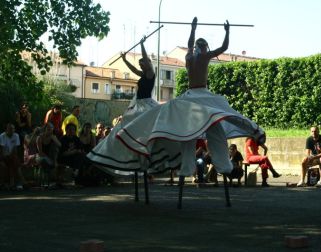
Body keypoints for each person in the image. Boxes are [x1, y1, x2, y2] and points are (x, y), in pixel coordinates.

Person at [116, 17, 265, 179]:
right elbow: (223, 46)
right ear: (204, 47)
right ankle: (244, 142)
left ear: (197, 47)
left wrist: (194, 28)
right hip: (198, 94)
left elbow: (196, 44)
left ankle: (191, 167)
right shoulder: (202, 56)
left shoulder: (192, 57)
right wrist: (226, 31)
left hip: (193, 96)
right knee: (220, 118)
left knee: (195, 130)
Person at [87, 36, 159, 174]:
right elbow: (133, 68)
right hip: (139, 104)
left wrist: (143, 45)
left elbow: (146, 60)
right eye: (140, 65)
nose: (140, 66)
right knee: (124, 125)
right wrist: (125, 60)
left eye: (142, 64)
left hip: (146, 104)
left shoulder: (150, 73)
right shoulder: (143, 74)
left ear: (147, 63)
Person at [0, 123, 25, 189]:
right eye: (10, 129)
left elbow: (15, 149)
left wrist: (11, 156)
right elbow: (1, 150)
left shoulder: (16, 135)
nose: (12, 130)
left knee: (14, 162)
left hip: (12, 156)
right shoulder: (2, 136)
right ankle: (22, 182)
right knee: (10, 163)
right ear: (6, 130)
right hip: (3, 156)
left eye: (13, 129)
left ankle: (13, 183)